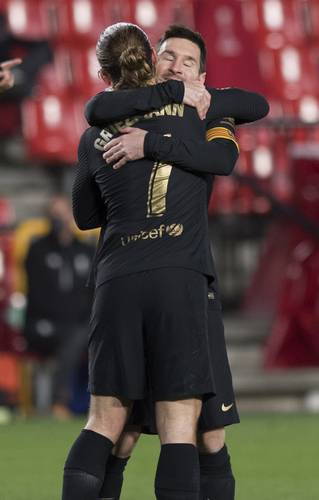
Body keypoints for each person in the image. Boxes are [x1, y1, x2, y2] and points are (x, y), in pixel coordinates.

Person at [85, 24, 269, 500]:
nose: (177, 65)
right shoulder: (131, 107)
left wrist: (152, 142)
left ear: (203, 76)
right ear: (151, 61)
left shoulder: (203, 109)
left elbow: (253, 112)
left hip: (183, 282)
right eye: (168, 57)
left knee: (207, 430)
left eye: (189, 62)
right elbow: (97, 108)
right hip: (167, 277)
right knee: (147, 426)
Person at [24, 195, 94, 418]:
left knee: (97, 336)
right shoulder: (38, 250)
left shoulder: (85, 250)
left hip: (81, 323)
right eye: (55, 214)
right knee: (72, 338)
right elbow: (37, 293)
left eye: (64, 214)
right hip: (45, 323)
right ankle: (59, 402)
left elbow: (93, 292)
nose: (60, 219)